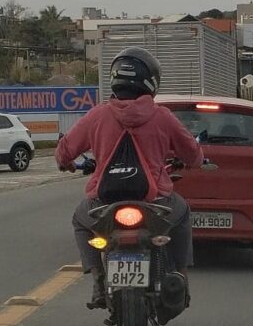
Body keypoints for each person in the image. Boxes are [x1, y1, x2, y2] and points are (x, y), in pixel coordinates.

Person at [56, 47, 204, 310]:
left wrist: (65, 162)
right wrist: (195, 161)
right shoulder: (162, 116)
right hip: (156, 201)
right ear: (151, 81)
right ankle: (181, 276)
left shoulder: (98, 115)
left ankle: (98, 279)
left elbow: (65, 151)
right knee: (182, 214)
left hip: (103, 202)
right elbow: (193, 154)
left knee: (80, 220)